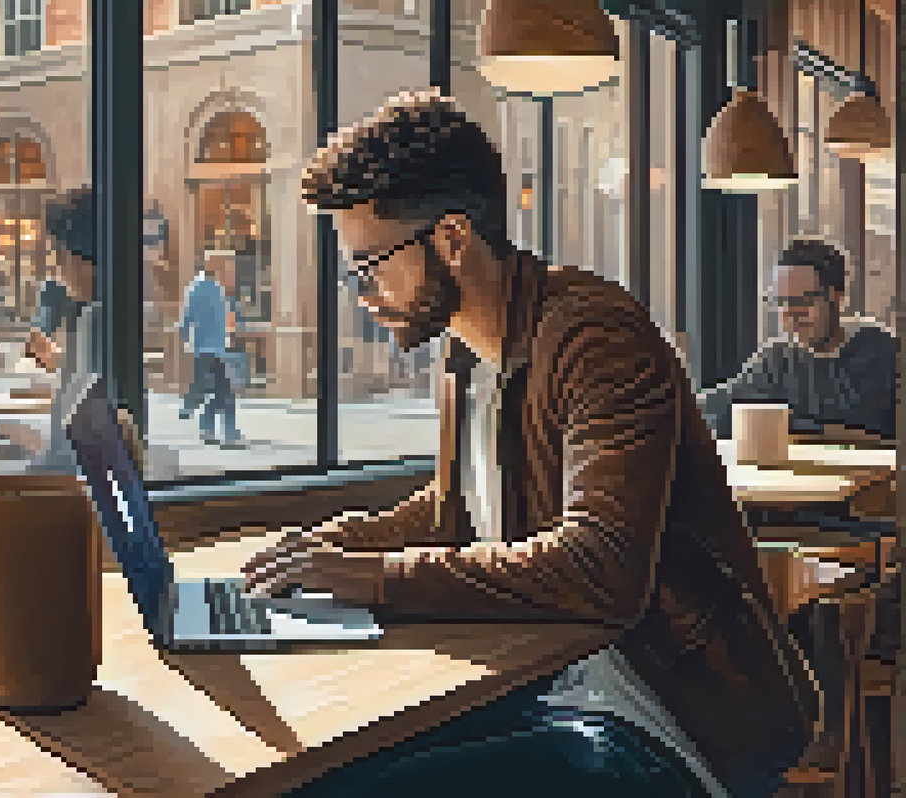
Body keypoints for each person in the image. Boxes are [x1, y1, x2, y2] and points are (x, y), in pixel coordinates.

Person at [243, 91, 818, 798]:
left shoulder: (593, 336)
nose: (361, 292)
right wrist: (325, 549)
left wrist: (373, 577)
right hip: (559, 690)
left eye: (369, 265)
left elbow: (602, 567)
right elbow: (452, 509)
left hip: (665, 725)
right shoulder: (467, 352)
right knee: (312, 769)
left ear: (452, 238)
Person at [697, 238, 897, 441]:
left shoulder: (884, 354)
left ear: (838, 297)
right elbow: (715, 410)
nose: (789, 314)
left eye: (803, 300)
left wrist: (789, 425)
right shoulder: (776, 360)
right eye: (780, 301)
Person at [24, 186, 103, 475]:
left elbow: (72, 445)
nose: (58, 264)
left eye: (60, 251)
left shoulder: (96, 321)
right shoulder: (97, 316)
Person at [178, 253, 243, 446]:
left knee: (218, 391)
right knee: (225, 392)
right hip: (210, 348)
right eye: (228, 266)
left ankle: (207, 428)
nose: (231, 271)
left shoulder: (209, 287)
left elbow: (188, 319)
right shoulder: (205, 287)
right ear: (217, 266)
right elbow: (188, 319)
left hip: (213, 348)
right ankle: (229, 433)